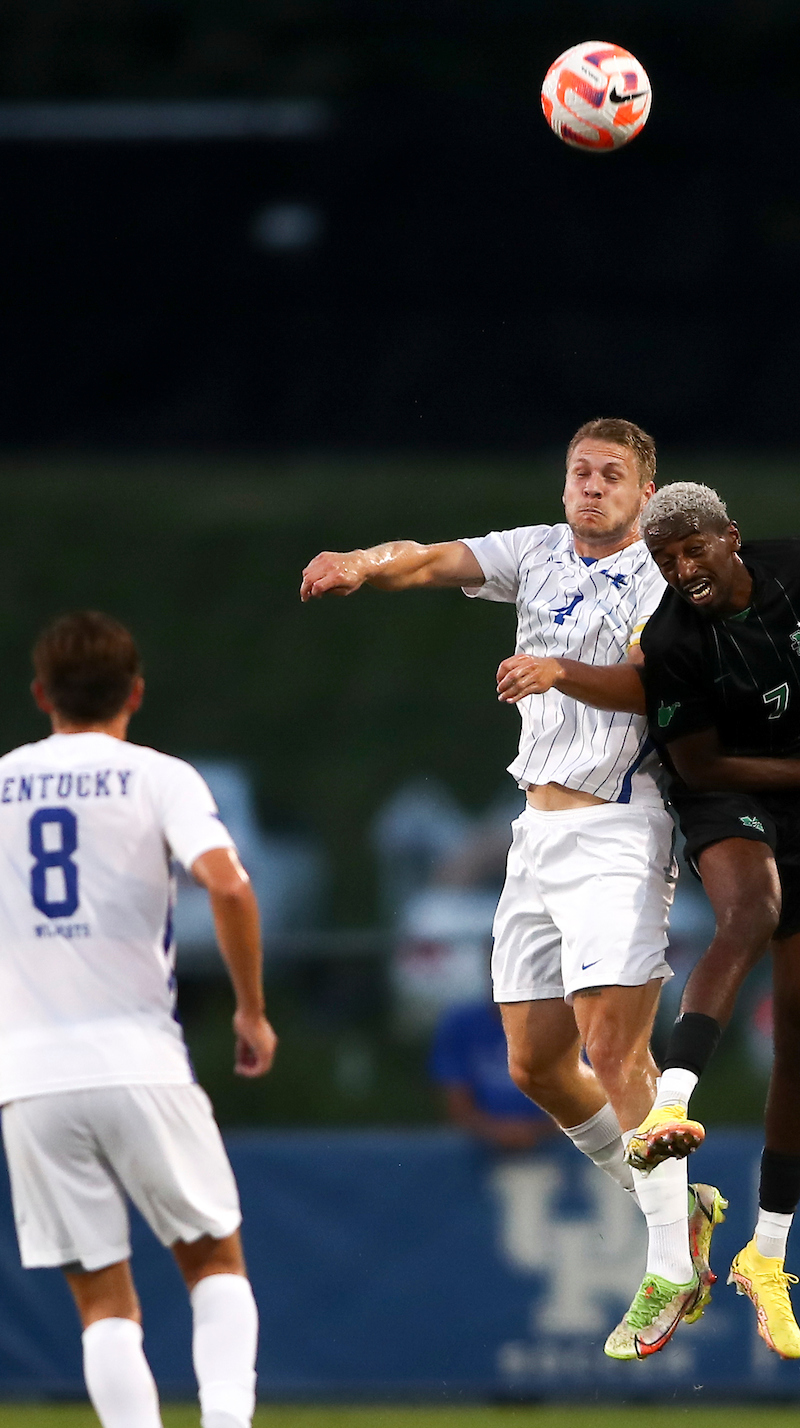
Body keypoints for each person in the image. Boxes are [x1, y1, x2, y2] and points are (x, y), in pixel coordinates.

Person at [501, 480, 800, 1360]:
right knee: (750, 908)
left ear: (731, 538)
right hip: (727, 796)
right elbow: (702, 760)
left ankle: (768, 1254)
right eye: (664, 557)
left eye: (694, 550)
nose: (681, 569)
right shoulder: (676, 643)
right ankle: (673, 1101)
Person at [301, 419, 725, 1363]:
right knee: (536, 1063)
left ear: (646, 496)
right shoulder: (535, 553)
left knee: (615, 1047)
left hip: (622, 825)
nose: (591, 487)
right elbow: (433, 559)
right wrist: (366, 564)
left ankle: (667, 1267)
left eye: (613, 475)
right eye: (580, 471)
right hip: (534, 831)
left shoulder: (667, 580)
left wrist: (558, 670)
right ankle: (675, 1205)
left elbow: (667, 695)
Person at [0, 611, 299, 1428]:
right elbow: (231, 886)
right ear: (134, 692)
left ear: (41, 694)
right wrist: (249, 1010)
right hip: (139, 1058)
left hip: (33, 1080)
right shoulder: (160, 776)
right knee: (213, 1261)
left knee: (102, 1302)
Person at [428, 999, 554, 1150]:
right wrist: (497, 1132)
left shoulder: (562, 1021)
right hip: (477, 1147)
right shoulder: (461, 1022)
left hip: (556, 1144)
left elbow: (582, 1098)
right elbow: (456, 1102)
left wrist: (533, 1131)